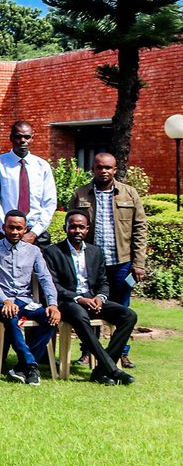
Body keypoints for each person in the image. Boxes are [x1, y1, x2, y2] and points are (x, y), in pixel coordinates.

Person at [68, 152, 147, 369]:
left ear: (115, 170)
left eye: (108, 168)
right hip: (90, 264)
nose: (104, 171)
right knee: (90, 307)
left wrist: (138, 263)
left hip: (121, 262)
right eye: (99, 167)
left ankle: (121, 352)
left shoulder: (129, 194)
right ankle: (88, 351)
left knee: (122, 307)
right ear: (93, 169)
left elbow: (140, 228)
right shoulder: (81, 193)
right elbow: (71, 226)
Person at [43, 210, 137, 386]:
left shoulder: (96, 252)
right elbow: (54, 286)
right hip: (68, 302)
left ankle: (101, 369)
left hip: (94, 300)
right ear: (65, 228)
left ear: (87, 229)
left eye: (81, 227)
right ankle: (113, 369)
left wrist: (100, 298)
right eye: (73, 227)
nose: (77, 230)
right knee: (79, 314)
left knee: (129, 315)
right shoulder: (53, 252)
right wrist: (79, 299)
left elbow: (103, 282)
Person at [0, 210, 60, 385]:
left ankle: (22, 367)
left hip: (26, 301)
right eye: (11, 228)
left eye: (19, 228)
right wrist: (5, 300)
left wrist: (53, 304)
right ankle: (31, 366)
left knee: (50, 318)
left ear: (25, 229)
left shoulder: (34, 251)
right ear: (3, 228)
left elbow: (45, 278)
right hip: (0, 302)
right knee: (10, 315)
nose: (15, 232)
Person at [0, 121, 56, 246]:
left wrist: (34, 233)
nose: (23, 140)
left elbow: (49, 203)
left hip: (36, 234)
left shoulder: (42, 166)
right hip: (6, 233)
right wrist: (9, 230)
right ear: (11, 138)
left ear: (32, 139)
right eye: (19, 137)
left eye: (27, 137)